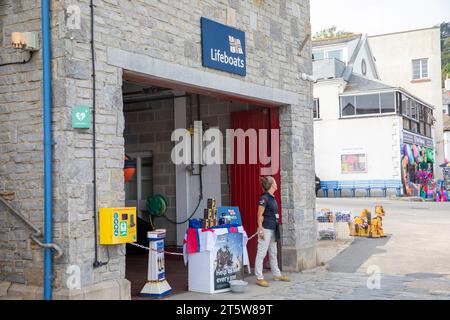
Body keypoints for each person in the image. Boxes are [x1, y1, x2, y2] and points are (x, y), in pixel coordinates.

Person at [255, 176, 290, 287]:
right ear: (271, 185)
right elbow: (259, 215)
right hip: (265, 229)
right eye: (275, 182)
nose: (276, 183)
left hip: (273, 229)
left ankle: (277, 274)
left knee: (273, 253)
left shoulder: (272, 197)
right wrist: (260, 229)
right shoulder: (264, 198)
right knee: (261, 253)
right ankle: (259, 278)